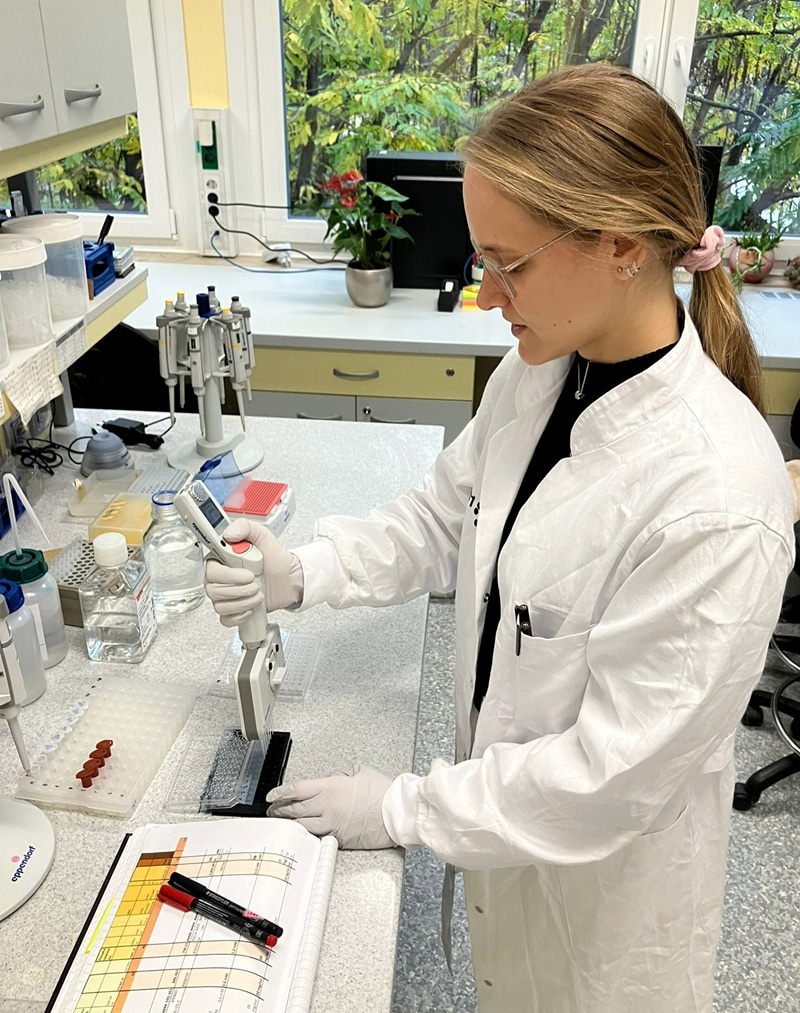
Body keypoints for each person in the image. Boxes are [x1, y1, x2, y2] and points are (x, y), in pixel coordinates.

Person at [205, 64, 795, 1013]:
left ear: (619, 245)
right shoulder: (540, 372)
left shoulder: (718, 497)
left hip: (606, 927)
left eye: (508, 264)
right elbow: (446, 516)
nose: (486, 295)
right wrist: (301, 571)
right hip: (506, 859)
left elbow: (608, 778)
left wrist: (401, 806)